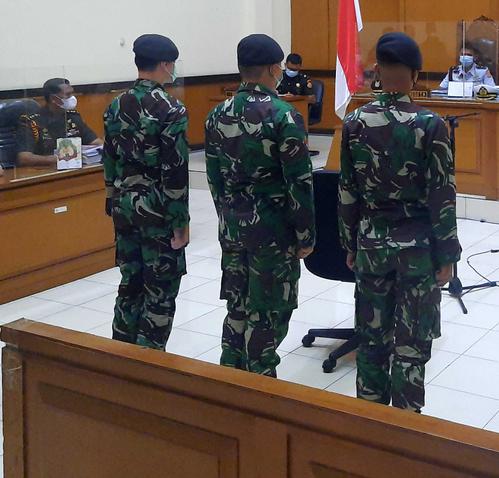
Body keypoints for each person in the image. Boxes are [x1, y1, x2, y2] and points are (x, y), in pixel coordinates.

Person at [339, 32, 460, 413]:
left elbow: (347, 192)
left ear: (377, 71)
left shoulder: (355, 122)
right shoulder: (431, 125)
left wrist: (350, 246)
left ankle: (368, 424)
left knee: (371, 342)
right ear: (416, 75)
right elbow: (443, 196)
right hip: (418, 252)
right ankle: (406, 430)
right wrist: (448, 254)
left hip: (371, 247)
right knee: (410, 346)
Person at [205, 33, 315, 377]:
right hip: (273, 231)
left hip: (233, 227)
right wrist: (306, 234)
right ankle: (261, 385)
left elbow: (213, 177)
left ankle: (229, 377)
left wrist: (227, 218)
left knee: (237, 305)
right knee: (269, 310)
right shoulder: (283, 115)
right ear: (272, 68)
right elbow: (299, 182)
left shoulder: (216, 114)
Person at [103, 34, 189, 351]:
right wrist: (181, 223)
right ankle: (150, 363)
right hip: (158, 211)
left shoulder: (116, 104)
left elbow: (109, 158)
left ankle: (120, 354)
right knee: (160, 289)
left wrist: (111, 201)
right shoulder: (171, 108)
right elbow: (175, 170)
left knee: (130, 283)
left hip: (124, 205)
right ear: (165, 65)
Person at [16, 78, 102, 167]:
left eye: (72, 93)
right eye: (67, 95)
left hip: (73, 167)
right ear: (53, 98)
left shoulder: (73, 116)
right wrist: (56, 159)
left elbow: (97, 143)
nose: (72, 98)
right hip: (44, 170)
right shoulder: (32, 122)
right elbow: (24, 158)